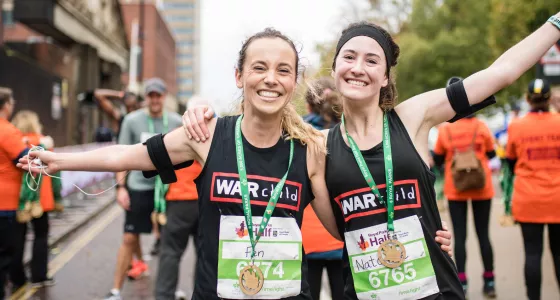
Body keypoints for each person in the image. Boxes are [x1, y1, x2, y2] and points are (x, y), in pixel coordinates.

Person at [19, 28, 452, 300]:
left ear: (294, 81)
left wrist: (428, 239)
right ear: (239, 75)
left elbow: (347, 225)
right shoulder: (207, 136)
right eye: (259, 67)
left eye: (283, 70)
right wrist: (57, 159)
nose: (271, 78)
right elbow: (127, 154)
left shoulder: (309, 147)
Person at [184, 13, 560, 300]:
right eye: (349, 57)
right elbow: (258, 127)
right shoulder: (317, 144)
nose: (359, 68)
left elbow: (501, 73)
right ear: (336, 69)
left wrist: (556, 23)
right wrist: (198, 107)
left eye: (371, 60)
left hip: (434, 288)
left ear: (385, 77)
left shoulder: (413, 117)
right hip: (365, 290)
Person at [105, 78, 183, 300]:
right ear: (146, 98)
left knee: (170, 242)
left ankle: (170, 288)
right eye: (151, 95)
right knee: (130, 237)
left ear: (164, 96)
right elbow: (120, 155)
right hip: (138, 187)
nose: (155, 99)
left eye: (158, 95)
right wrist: (121, 188)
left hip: (168, 189)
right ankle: (116, 291)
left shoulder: (176, 121)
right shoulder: (132, 121)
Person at [433, 77, 497, 297]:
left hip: (455, 189)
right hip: (482, 187)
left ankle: (462, 281)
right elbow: (491, 153)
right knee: (483, 235)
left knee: (459, 237)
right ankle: (489, 281)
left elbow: (438, 161)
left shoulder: (445, 130)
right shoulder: (481, 127)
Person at [506, 78, 560, 300]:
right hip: (558, 198)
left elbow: (511, 160)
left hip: (528, 198)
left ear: (527, 99)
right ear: (550, 99)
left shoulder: (517, 126)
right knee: (558, 253)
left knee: (533, 252)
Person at [154, 96, 209, 300]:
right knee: (205, 255)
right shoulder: (213, 135)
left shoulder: (176, 135)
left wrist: (159, 207)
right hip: (204, 202)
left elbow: (162, 171)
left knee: (170, 253)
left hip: (178, 201)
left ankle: (164, 296)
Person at [301, 78, 345, 300]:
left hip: (306, 234)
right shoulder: (348, 133)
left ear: (308, 106)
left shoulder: (297, 134)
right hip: (341, 230)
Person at [10, 111, 57, 290]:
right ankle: (39, 275)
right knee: (41, 236)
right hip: (41, 197)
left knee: (19, 238)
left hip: (20, 198)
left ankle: (17, 277)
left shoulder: (16, 141)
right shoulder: (44, 141)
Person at [0, 87, 29, 300]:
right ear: (7, 106)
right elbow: (25, 158)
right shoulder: (7, 130)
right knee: (4, 255)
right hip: (5, 203)